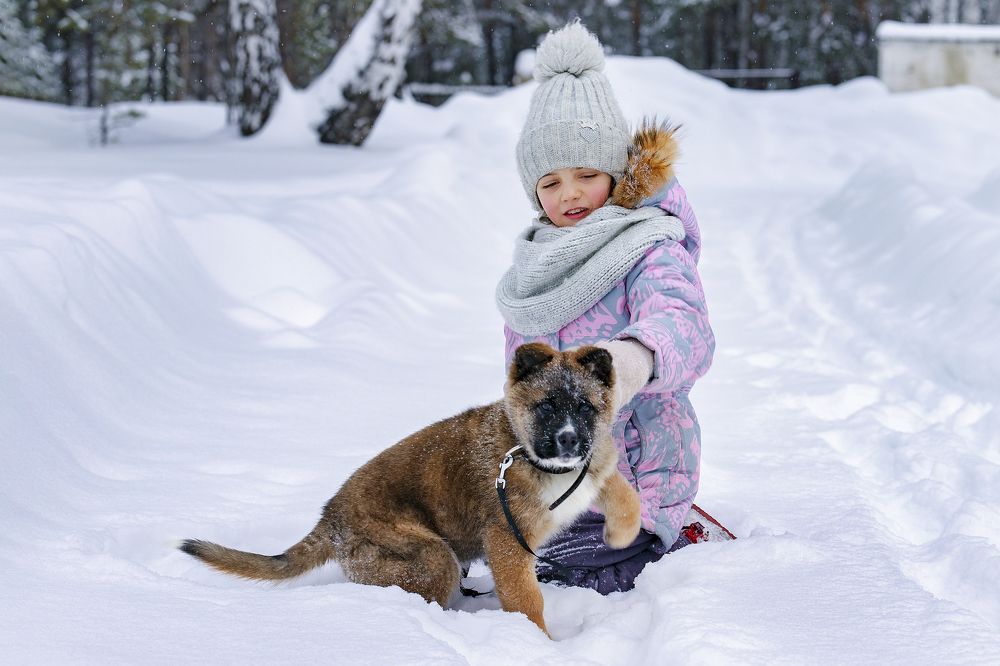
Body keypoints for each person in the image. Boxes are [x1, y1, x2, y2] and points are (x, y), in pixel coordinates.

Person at [495, 21, 715, 594]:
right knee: (480, 542)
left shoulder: (648, 246)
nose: (569, 194)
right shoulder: (538, 266)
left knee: (547, 569)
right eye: (550, 182)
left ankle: (661, 544)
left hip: (636, 475)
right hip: (557, 473)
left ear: (615, 173)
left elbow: (684, 325)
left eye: (587, 176)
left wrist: (633, 359)